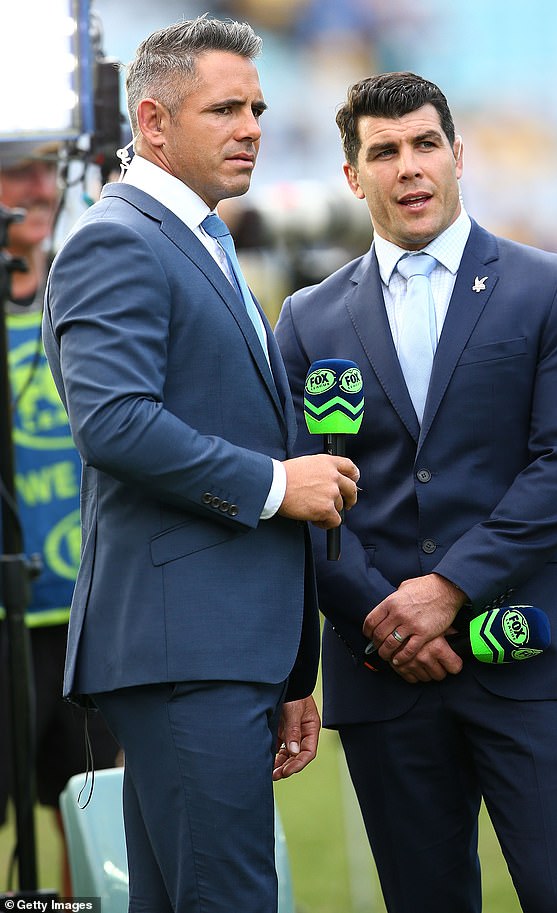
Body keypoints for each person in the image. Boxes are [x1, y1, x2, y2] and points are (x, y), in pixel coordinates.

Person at [275, 71, 557, 913]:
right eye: (384, 151)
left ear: (459, 155)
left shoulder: (552, 287)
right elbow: (302, 497)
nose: (410, 167)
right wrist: (384, 615)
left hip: (525, 654)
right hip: (384, 665)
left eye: (425, 144)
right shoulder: (306, 319)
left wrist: (449, 588)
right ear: (353, 177)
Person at [42, 16, 359, 913]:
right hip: (187, 648)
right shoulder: (120, 239)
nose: (253, 126)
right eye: (225, 108)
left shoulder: (204, 241)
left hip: (225, 650)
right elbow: (114, 422)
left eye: (257, 106)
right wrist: (275, 484)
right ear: (151, 121)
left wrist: (293, 671)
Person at [0, 142, 120, 894]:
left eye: (50, 169)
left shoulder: (85, 293)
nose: (41, 188)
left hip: (91, 609)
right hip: (5, 614)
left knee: (90, 810)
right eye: (18, 172)